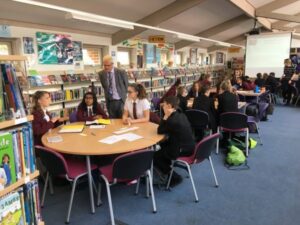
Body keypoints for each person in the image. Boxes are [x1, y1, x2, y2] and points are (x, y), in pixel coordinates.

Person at [154, 96, 195, 186]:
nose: (162, 107)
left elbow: (159, 130)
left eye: (163, 105)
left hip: (182, 149)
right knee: (163, 145)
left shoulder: (172, 120)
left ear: (169, 106)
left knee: (155, 156)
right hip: (189, 146)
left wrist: (165, 117)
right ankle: (167, 166)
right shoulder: (181, 114)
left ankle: (173, 177)